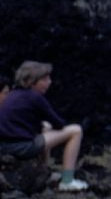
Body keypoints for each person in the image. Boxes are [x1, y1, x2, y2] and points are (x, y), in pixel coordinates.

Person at [0, 61, 87, 192]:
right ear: (31, 81)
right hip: (22, 147)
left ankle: (44, 171)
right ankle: (68, 181)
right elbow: (59, 124)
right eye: (45, 79)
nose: (50, 82)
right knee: (75, 130)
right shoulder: (35, 97)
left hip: (5, 146)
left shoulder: (13, 95)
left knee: (45, 127)